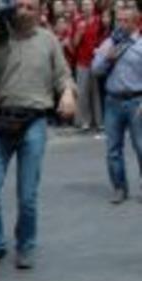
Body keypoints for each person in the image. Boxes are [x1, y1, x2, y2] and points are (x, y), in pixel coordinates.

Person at [0, 0, 76, 272]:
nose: (24, 11)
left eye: (30, 7)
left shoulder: (48, 40)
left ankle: (26, 245)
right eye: (19, 5)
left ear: (40, 11)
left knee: (27, 195)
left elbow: (63, 75)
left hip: (34, 122)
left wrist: (67, 93)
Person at [92, 2, 142, 203]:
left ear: (136, 21)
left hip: (136, 101)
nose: (121, 24)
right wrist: (107, 59)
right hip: (112, 101)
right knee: (113, 149)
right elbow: (95, 70)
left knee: (140, 147)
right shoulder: (109, 43)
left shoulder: (140, 44)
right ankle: (119, 187)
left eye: (125, 20)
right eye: (119, 20)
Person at [74, 0, 106, 130]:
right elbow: (74, 43)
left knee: (96, 92)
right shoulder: (77, 22)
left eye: (89, 4)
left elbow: (103, 39)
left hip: (96, 61)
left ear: (93, 6)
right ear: (81, 7)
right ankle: (84, 121)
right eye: (84, 5)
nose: (87, 7)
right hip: (82, 61)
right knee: (83, 92)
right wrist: (79, 32)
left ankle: (98, 121)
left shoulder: (99, 21)